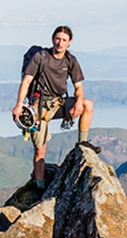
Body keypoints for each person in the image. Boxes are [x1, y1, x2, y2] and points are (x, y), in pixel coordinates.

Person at [13, 25, 97, 187]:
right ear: (53, 39)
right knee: (40, 150)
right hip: (38, 107)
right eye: (58, 39)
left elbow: (78, 87)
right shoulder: (41, 57)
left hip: (58, 103)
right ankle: (40, 185)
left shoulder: (70, 61)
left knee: (88, 104)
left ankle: (82, 144)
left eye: (64, 40)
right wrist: (19, 105)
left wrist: (78, 101)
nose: (60, 43)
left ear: (69, 42)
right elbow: (27, 81)